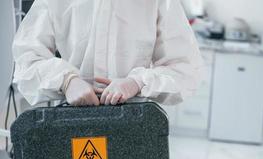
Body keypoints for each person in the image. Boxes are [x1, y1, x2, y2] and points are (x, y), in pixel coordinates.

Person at [13, 0, 203, 106]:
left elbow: (185, 69)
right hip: (70, 124)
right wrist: (66, 81)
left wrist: (137, 82)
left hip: (135, 128)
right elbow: (26, 61)